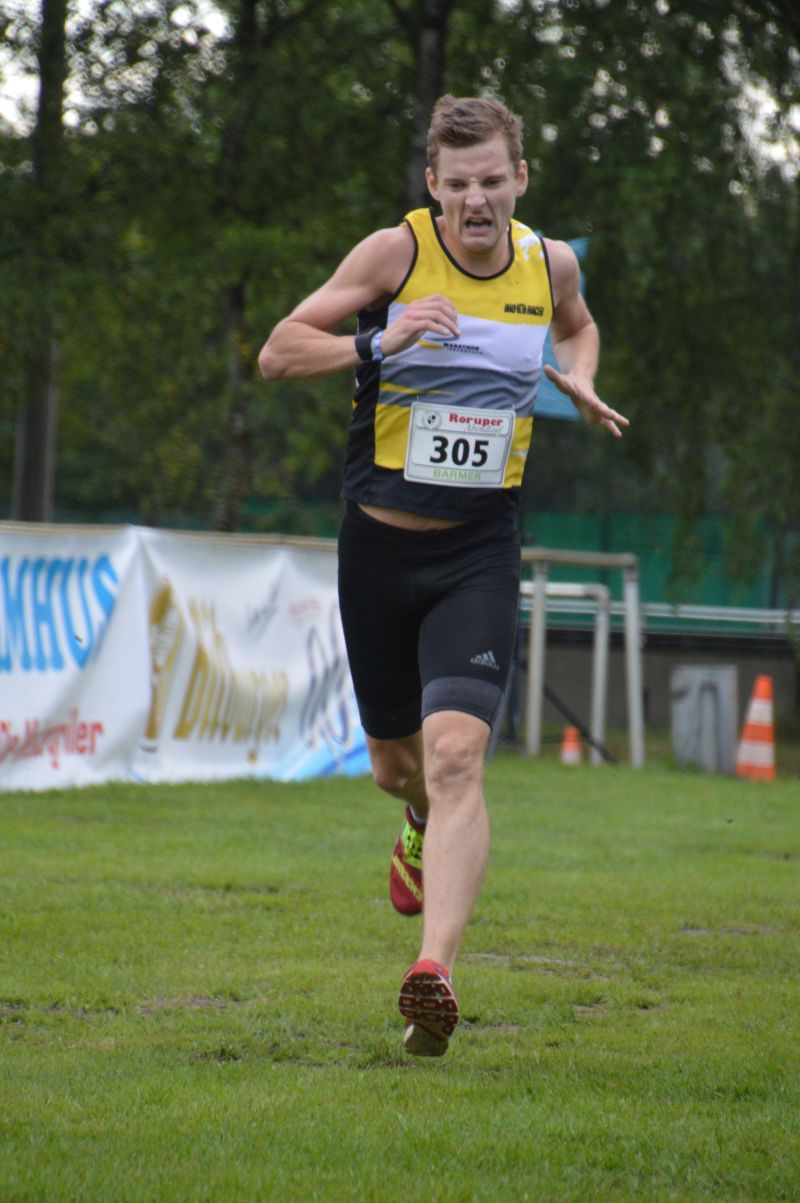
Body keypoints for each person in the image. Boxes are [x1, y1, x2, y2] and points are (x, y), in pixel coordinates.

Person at [258, 95, 628, 1057]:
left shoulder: (550, 264)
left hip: (479, 550)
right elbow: (277, 351)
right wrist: (379, 339)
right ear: (433, 185)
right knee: (398, 766)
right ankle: (415, 819)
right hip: (379, 547)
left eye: (492, 180)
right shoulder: (395, 253)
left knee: (459, 755)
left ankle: (434, 974)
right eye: (458, 183)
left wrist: (581, 375)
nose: (476, 200)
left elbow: (578, 325)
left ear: (520, 179)